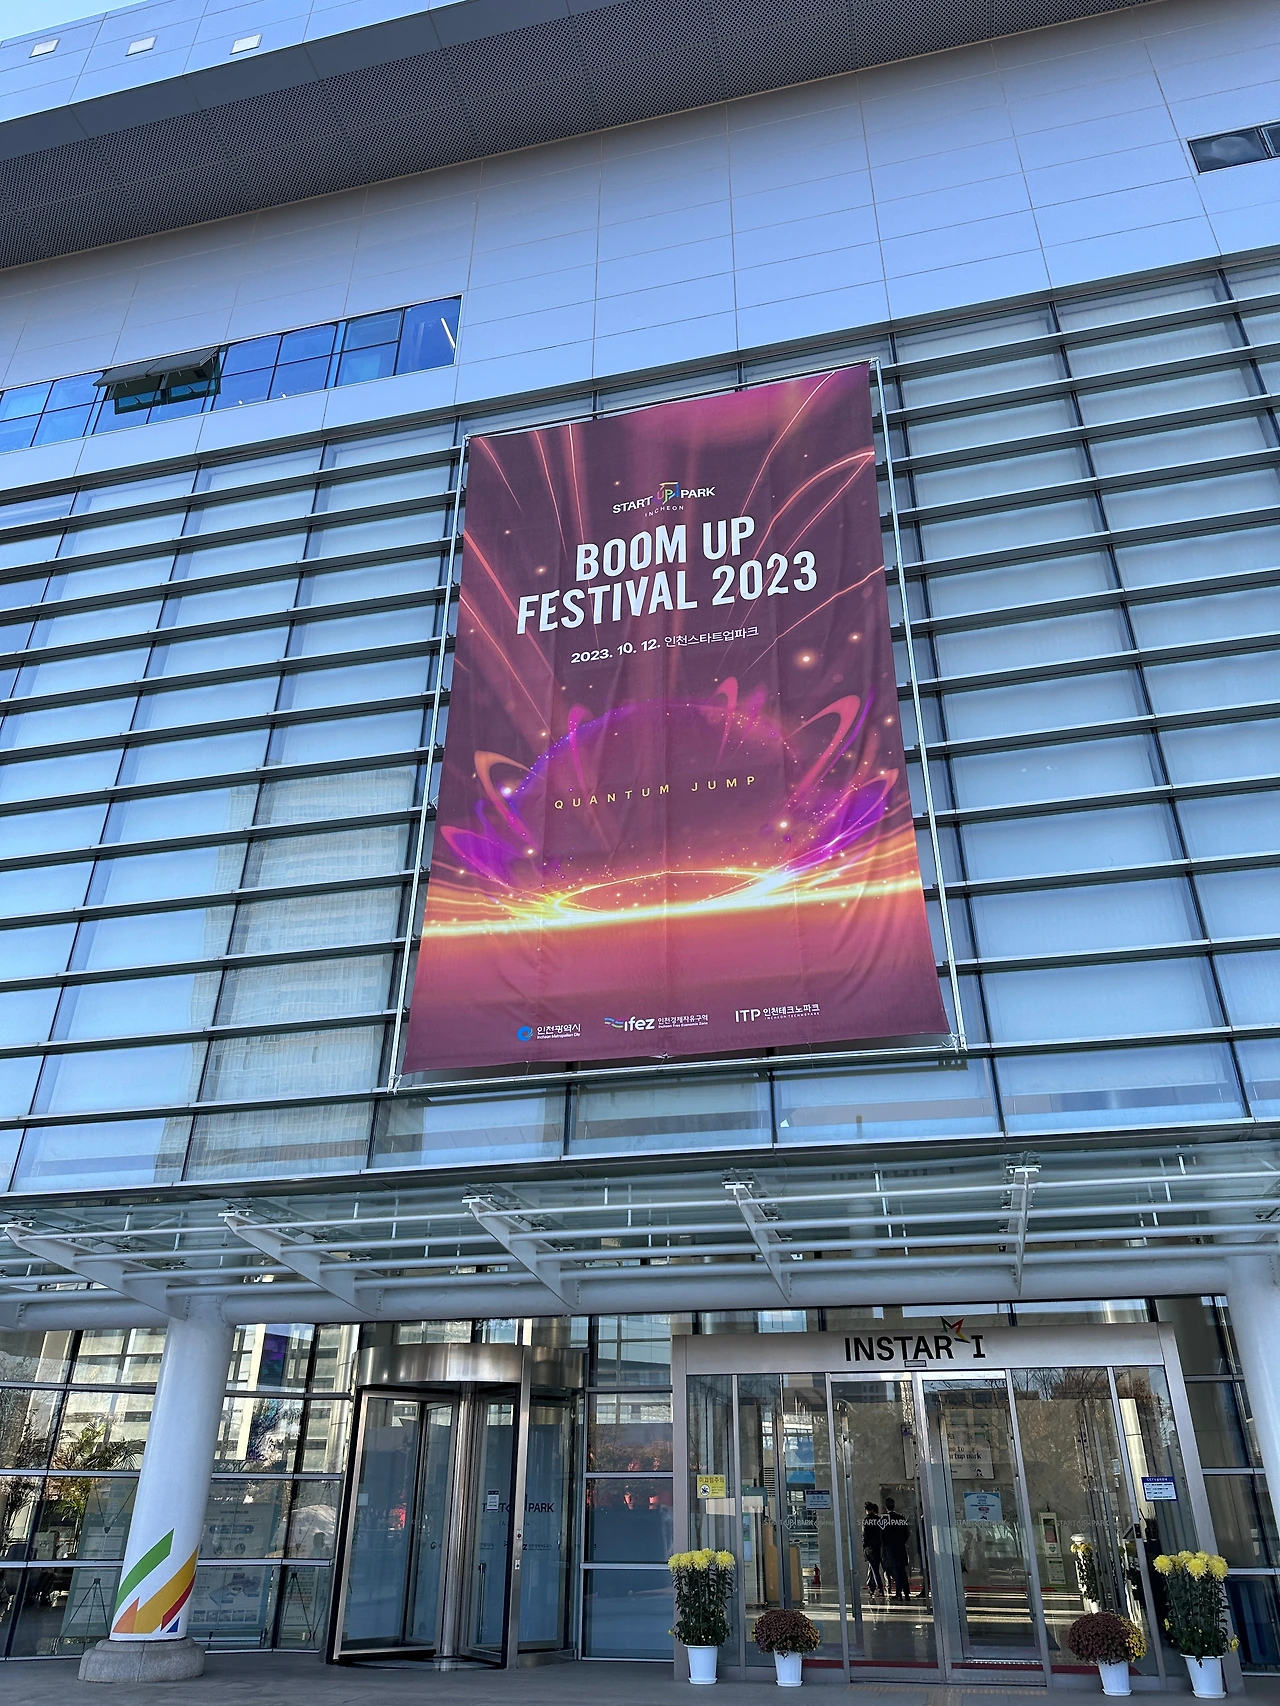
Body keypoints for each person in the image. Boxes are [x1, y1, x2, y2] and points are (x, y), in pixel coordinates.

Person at [881, 1497, 911, 1599]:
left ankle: (898, 1592)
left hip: (890, 1550)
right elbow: (906, 1533)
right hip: (900, 1548)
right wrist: (902, 1542)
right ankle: (906, 1592)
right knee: (902, 1571)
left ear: (885, 1507)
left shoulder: (884, 1520)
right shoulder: (901, 1519)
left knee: (895, 1571)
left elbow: (882, 1536)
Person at [862, 1501, 885, 1596]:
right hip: (879, 1547)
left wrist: (864, 1547)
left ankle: (879, 1588)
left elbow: (864, 1536)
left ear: (866, 1510)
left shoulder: (866, 1520)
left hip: (870, 1548)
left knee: (874, 1570)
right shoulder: (879, 1519)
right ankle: (871, 1587)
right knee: (873, 1568)